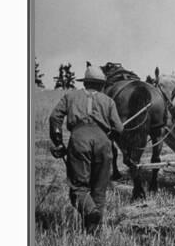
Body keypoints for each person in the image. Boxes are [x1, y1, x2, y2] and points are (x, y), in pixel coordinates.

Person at [49, 63, 124, 233]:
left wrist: (58, 141)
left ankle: (91, 212)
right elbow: (119, 128)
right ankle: (94, 230)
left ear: (85, 82)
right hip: (103, 142)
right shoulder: (108, 101)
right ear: (101, 84)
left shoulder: (70, 96)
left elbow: (55, 117)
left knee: (79, 188)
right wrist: (108, 137)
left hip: (79, 140)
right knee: (99, 189)